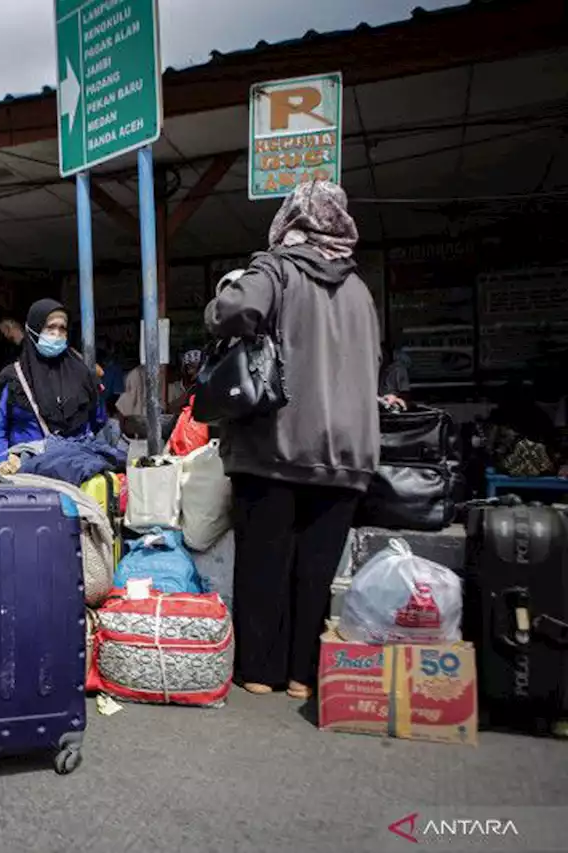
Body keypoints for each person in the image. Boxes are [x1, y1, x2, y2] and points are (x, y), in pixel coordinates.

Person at [203, 181, 380, 700]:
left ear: (291, 218)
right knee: (316, 570)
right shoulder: (360, 289)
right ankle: (304, 675)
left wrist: (223, 297)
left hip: (276, 446)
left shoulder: (278, 268)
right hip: (347, 452)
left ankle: (260, 670)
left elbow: (232, 312)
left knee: (265, 560)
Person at [0, 299, 105, 460]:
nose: (56, 334)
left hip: (77, 468)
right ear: (34, 328)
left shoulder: (83, 374)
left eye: (62, 328)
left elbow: (98, 420)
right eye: (50, 327)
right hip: (28, 474)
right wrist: (1, 467)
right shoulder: (13, 377)